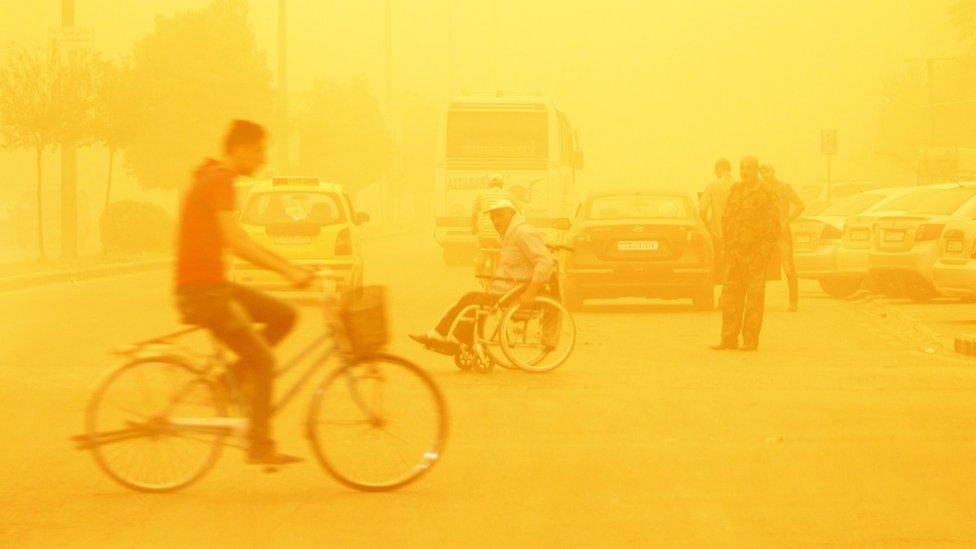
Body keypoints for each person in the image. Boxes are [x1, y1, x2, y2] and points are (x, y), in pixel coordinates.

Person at [174, 120, 314, 465]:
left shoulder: (218, 178)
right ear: (239, 150)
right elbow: (236, 242)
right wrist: (287, 270)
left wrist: (291, 266)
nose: (263, 159)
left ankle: (229, 380)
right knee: (263, 361)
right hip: (204, 294)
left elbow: (240, 240)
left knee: (285, 315)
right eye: (259, 151)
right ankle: (259, 445)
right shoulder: (219, 181)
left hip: (213, 288)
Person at [411, 198, 553, 347]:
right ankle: (440, 335)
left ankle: (453, 339)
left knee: (474, 302)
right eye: (493, 218)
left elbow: (545, 263)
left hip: (514, 292)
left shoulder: (523, 233)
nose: (495, 221)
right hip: (506, 290)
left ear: (511, 214)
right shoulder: (510, 234)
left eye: (499, 216)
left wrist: (530, 292)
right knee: (469, 297)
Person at [711, 156, 780, 351]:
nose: (744, 171)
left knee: (754, 302)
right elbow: (727, 217)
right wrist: (728, 246)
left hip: (755, 256)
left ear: (756, 169)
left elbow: (773, 226)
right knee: (730, 299)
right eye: (742, 168)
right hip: (735, 255)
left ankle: (750, 340)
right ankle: (728, 338)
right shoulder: (736, 189)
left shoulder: (766, 192)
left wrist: (763, 254)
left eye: (748, 168)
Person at [760, 164, 805, 311]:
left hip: (782, 233)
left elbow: (800, 205)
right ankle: (757, 302)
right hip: (765, 234)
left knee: (788, 267)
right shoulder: (759, 189)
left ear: (773, 172)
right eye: (763, 173)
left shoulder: (784, 187)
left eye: (768, 172)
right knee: (760, 268)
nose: (765, 175)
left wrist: (786, 221)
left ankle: (794, 301)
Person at [700, 159, 734, 283]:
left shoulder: (713, 185)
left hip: (717, 232)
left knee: (718, 260)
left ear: (718, 169)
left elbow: (702, 209)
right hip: (736, 233)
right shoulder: (739, 185)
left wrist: (707, 226)